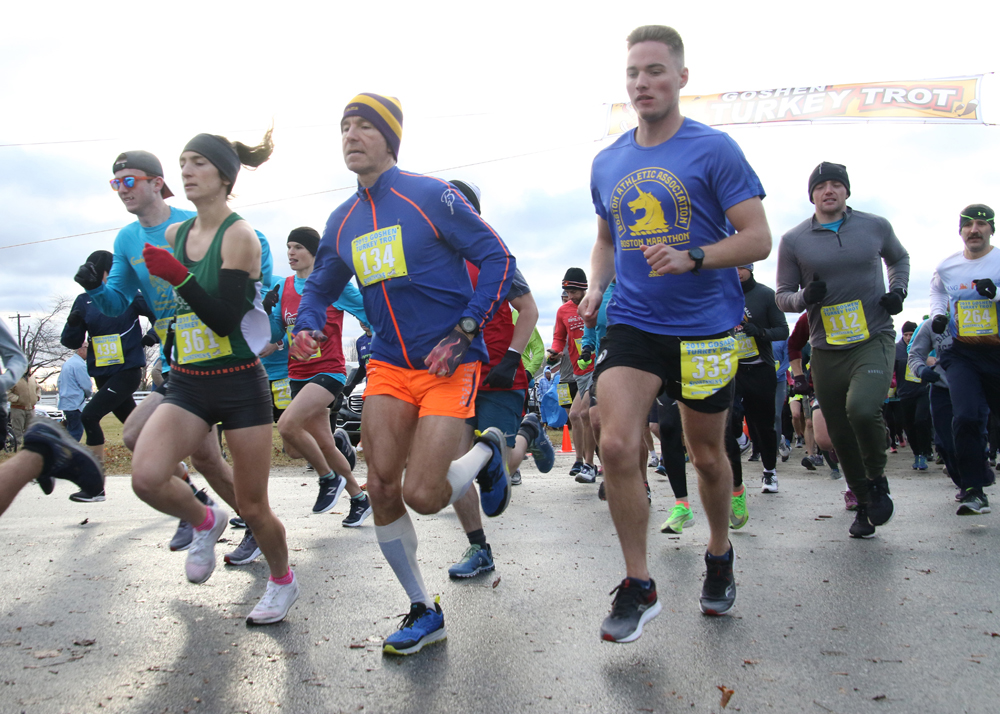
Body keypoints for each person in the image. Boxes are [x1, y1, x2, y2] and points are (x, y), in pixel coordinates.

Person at [293, 93, 515, 655]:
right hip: (390, 364)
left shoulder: (427, 196)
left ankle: (487, 452)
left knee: (424, 494)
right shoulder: (341, 220)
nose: (351, 135)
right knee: (383, 485)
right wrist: (312, 321)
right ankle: (422, 607)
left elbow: (497, 257)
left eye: (365, 125)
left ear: (390, 137)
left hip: (448, 362)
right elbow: (320, 282)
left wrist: (467, 328)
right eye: (344, 126)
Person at [582, 25, 771, 641]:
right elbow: (607, 238)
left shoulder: (714, 151)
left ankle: (719, 553)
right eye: (634, 73)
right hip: (634, 320)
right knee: (616, 446)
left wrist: (694, 256)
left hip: (707, 327)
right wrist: (594, 286)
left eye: (656, 71)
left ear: (681, 78)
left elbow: (757, 239)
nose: (643, 83)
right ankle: (639, 583)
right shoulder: (608, 161)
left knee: (707, 455)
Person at [131, 128, 297, 625]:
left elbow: (224, 317)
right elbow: (181, 307)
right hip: (188, 382)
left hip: (239, 384)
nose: (186, 171)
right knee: (145, 476)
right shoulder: (176, 235)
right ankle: (205, 519)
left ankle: (282, 580)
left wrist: (177, 276)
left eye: (198, 163)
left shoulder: (241, 236)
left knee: (254, 504)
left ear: (225, 175)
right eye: (183, 162)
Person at [76, 149, 274, 552]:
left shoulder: (190, 223)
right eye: (116, 183)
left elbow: (255, 246)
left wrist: (253, 295)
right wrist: (95, 288)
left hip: (223, 356)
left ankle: (233, 518)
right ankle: (202, 509)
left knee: (162, 442)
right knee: (174, 448)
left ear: (156, 183)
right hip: (179, 360)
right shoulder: (127, 238)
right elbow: (118, 304)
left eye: (129, 181)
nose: (121, 190)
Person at [776, 161, 910, 538]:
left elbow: (898, 258)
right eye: (821, 186)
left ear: (847, 191)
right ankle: (864, 501)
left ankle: (877, 478)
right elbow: (783, 296)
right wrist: (804, 297)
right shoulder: (794, 239)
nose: (829, 191)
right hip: (826, 347)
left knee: (862, 409)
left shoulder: (875, 226)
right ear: (812, 195)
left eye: (836, 184)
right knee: (836, 430)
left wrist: (897, 290)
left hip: (873, 337)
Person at [444, 178, 551, 580]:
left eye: (458, 206)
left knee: (499, 465)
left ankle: (529, 433)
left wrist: (512, 357)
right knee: (458, 467)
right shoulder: (433, 259)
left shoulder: (493, 255)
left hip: (500, 374)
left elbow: (529, 309)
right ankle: (479, 547)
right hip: (456, 377)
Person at [269, 227, 371, 524]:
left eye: (298, 247)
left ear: (314, 252)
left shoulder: (332, 286)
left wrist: (376, 334)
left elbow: (369, 312)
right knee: (297, 449)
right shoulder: (285, 287)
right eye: (288, 246)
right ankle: (359, 499)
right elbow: (277, 335)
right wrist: (265, 318)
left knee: (288, 425)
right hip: (296, 374)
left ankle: (328, 478)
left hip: (329, 372)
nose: (291, 253)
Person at [61, 249, 154, 500]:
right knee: (136, 429)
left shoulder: (130, 295)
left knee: (89, 417)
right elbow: (71, 342)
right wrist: (73, 322)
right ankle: (176, 474)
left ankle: (95, 487)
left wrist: (153, 336)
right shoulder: (83, 301)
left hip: (127, 371)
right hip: (102, 372)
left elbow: (160, 316)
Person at [928, 204, 1000, 515]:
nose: (974, 230)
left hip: (997, 351)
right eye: (968, 225)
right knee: (967, 416)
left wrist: (995, 294)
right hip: (963, 353)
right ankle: (973, 488)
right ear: (960, 231)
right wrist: (938, 316)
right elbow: (937, 293)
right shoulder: (947, 266)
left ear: (991, 230)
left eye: (981, 224)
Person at [0, 320, 105, 516]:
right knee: (75, 429)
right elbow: (85, 385)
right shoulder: (76, 365)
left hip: (68, 403)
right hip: (73, 403)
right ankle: (45, 453)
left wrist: (4, 382)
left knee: (75, 429)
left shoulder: (69, 365)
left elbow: (15, 357)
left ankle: (46, 453)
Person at [724, 263, 788, 528]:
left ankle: (769, 472)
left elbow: (783, 330)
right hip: (733, 370)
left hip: (760, 368)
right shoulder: (723, 294)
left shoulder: (765, 295)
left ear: (750, 269)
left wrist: (760, 332)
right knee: (729, 419)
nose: (737, 272)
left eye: (742, 267)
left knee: (764, 424)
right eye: (733, 267)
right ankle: (740, 445)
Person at [547, 268, 597, 482]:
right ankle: (580, 460)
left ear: (584, 289)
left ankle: (590, 465)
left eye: (574, 292)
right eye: (567, 292)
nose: (571, 296)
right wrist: (554, 352)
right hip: (576, 373)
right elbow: (559, 338)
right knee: (575, 415)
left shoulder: (596, 303)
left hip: (598, 368)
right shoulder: (563, 311)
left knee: (584, 414)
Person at [893, 321, 932, 471]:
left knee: (921, 420)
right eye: (906, 334)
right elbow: (891, 370)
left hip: (923, 390)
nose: (909, 337)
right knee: (909, 425)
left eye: (911, 334)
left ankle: (924, 453)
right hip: (904, 393)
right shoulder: (897, 350)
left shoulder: (924, 348)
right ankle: (917, 453)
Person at [57, 346, 92, 441]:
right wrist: (88, 394)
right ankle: (68, 452)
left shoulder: (67, 364)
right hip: (75, 403)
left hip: (66, 402)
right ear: (80, 350)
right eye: (87, 348)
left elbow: (59, 382)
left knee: (70, 429)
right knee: (76, 431)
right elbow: (86, 385)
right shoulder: (79, 365)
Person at [8, 372, 40, 445]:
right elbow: (6, 392)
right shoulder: (13, 378)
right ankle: (16, 446)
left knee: (31, 429)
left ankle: (29, 447)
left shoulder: (32, 378)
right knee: (17, 430)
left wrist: (37, 397)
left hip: (31, 409)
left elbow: (38, 388)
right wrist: (17, 399)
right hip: (18, 409)